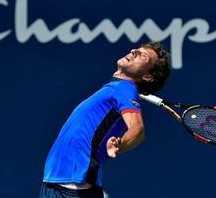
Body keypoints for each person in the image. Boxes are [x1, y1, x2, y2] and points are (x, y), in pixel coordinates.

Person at [40, 42, 171, 198]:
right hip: (56, 181)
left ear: (147, 76)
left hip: (74, 186)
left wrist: (120, 144)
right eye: (137, 49)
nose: (134, 51)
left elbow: (138, 129)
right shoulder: (114, 88)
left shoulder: (125, 88)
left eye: (143, 56)